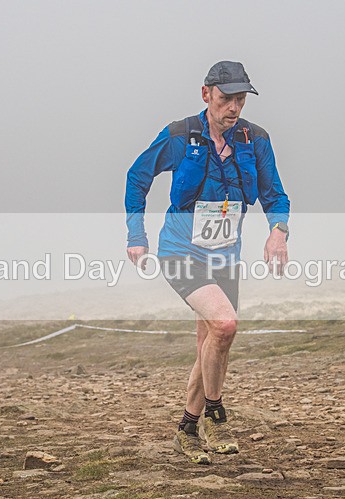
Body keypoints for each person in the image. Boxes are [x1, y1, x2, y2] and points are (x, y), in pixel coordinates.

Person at [124, 61, 290, 464]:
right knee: (225, 324)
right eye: (225, 98)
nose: (233, 107)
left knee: (211, 343)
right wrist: (136, 236)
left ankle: (186, 430)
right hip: (181, 252)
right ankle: (216, 414)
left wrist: (278, 231)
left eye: (240, 99)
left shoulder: (256, 140)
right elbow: (136, 177)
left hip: (225, 257)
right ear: (206, 95)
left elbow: (276, 195)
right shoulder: (180, 136)